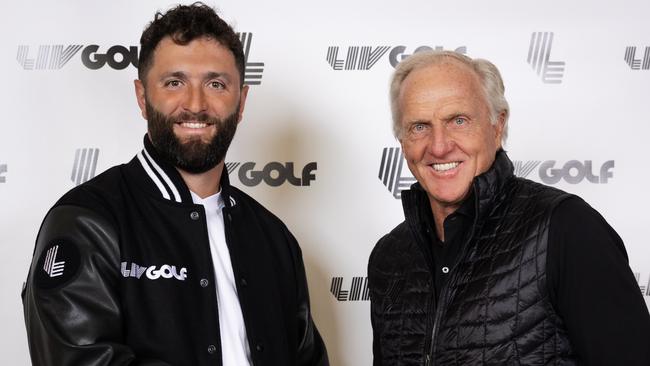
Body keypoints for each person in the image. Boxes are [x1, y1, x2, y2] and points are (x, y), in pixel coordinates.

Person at [22, 4, 328, 366]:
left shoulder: (274, 238)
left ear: (241, 102)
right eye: (174, 82)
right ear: (142, 96)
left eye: (216, 84)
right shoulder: (86, 221)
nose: (196, 104)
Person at [368, 50, 650, 365]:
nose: (438, 145)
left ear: (497, 125)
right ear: (402, 140)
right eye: (419, 126)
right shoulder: (390, 257)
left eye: (458, 120)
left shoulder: (566, 229)